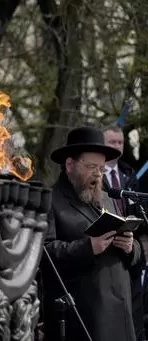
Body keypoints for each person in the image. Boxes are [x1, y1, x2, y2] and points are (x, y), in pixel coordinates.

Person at [42, 126, 141, 341]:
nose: (98, 174)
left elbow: (137, 252)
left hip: (121, 315)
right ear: (70, 164)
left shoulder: (107, 199)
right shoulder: (51, 200)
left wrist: (131, 247)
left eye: (102, 169)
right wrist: (88, 247)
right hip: (85, 318)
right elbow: (45, 253)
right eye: (91, 167)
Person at [102, 124, 146, 340]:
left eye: (120, 142)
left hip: (131, 248)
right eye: (112, 142)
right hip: (104, 247)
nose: (117, 146)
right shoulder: (96, 173)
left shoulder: (129, 174)